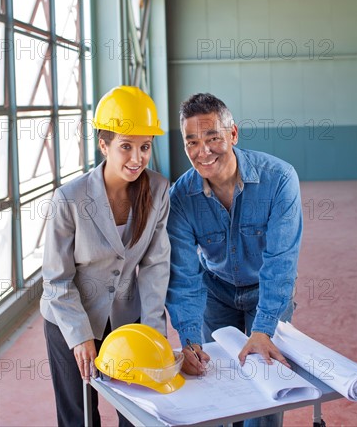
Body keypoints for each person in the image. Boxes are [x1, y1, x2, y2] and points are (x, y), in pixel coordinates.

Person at [166, 93, 302, 427]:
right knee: (218, 380)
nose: (203, 151)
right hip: (217, 291)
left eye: (213, 137)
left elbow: (280, 263)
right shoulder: (181, 198)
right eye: (192, 141)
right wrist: (189, 340)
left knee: (266, 382)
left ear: (233, 134)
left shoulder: (279, 180)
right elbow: (184, 275)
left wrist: (264, 327)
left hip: (265, 290)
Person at [40, 86, 171, 427]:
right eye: (125, 146)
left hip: (127, 318)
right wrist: (80, 335)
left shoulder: (158, 189)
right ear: (104, 144)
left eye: (145, 147)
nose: (136, 158)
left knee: (138, 407)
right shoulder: (69, 198)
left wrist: (154, 334)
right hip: (70, 316)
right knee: (79, 415)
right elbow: (56, 279)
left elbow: (156, 266)